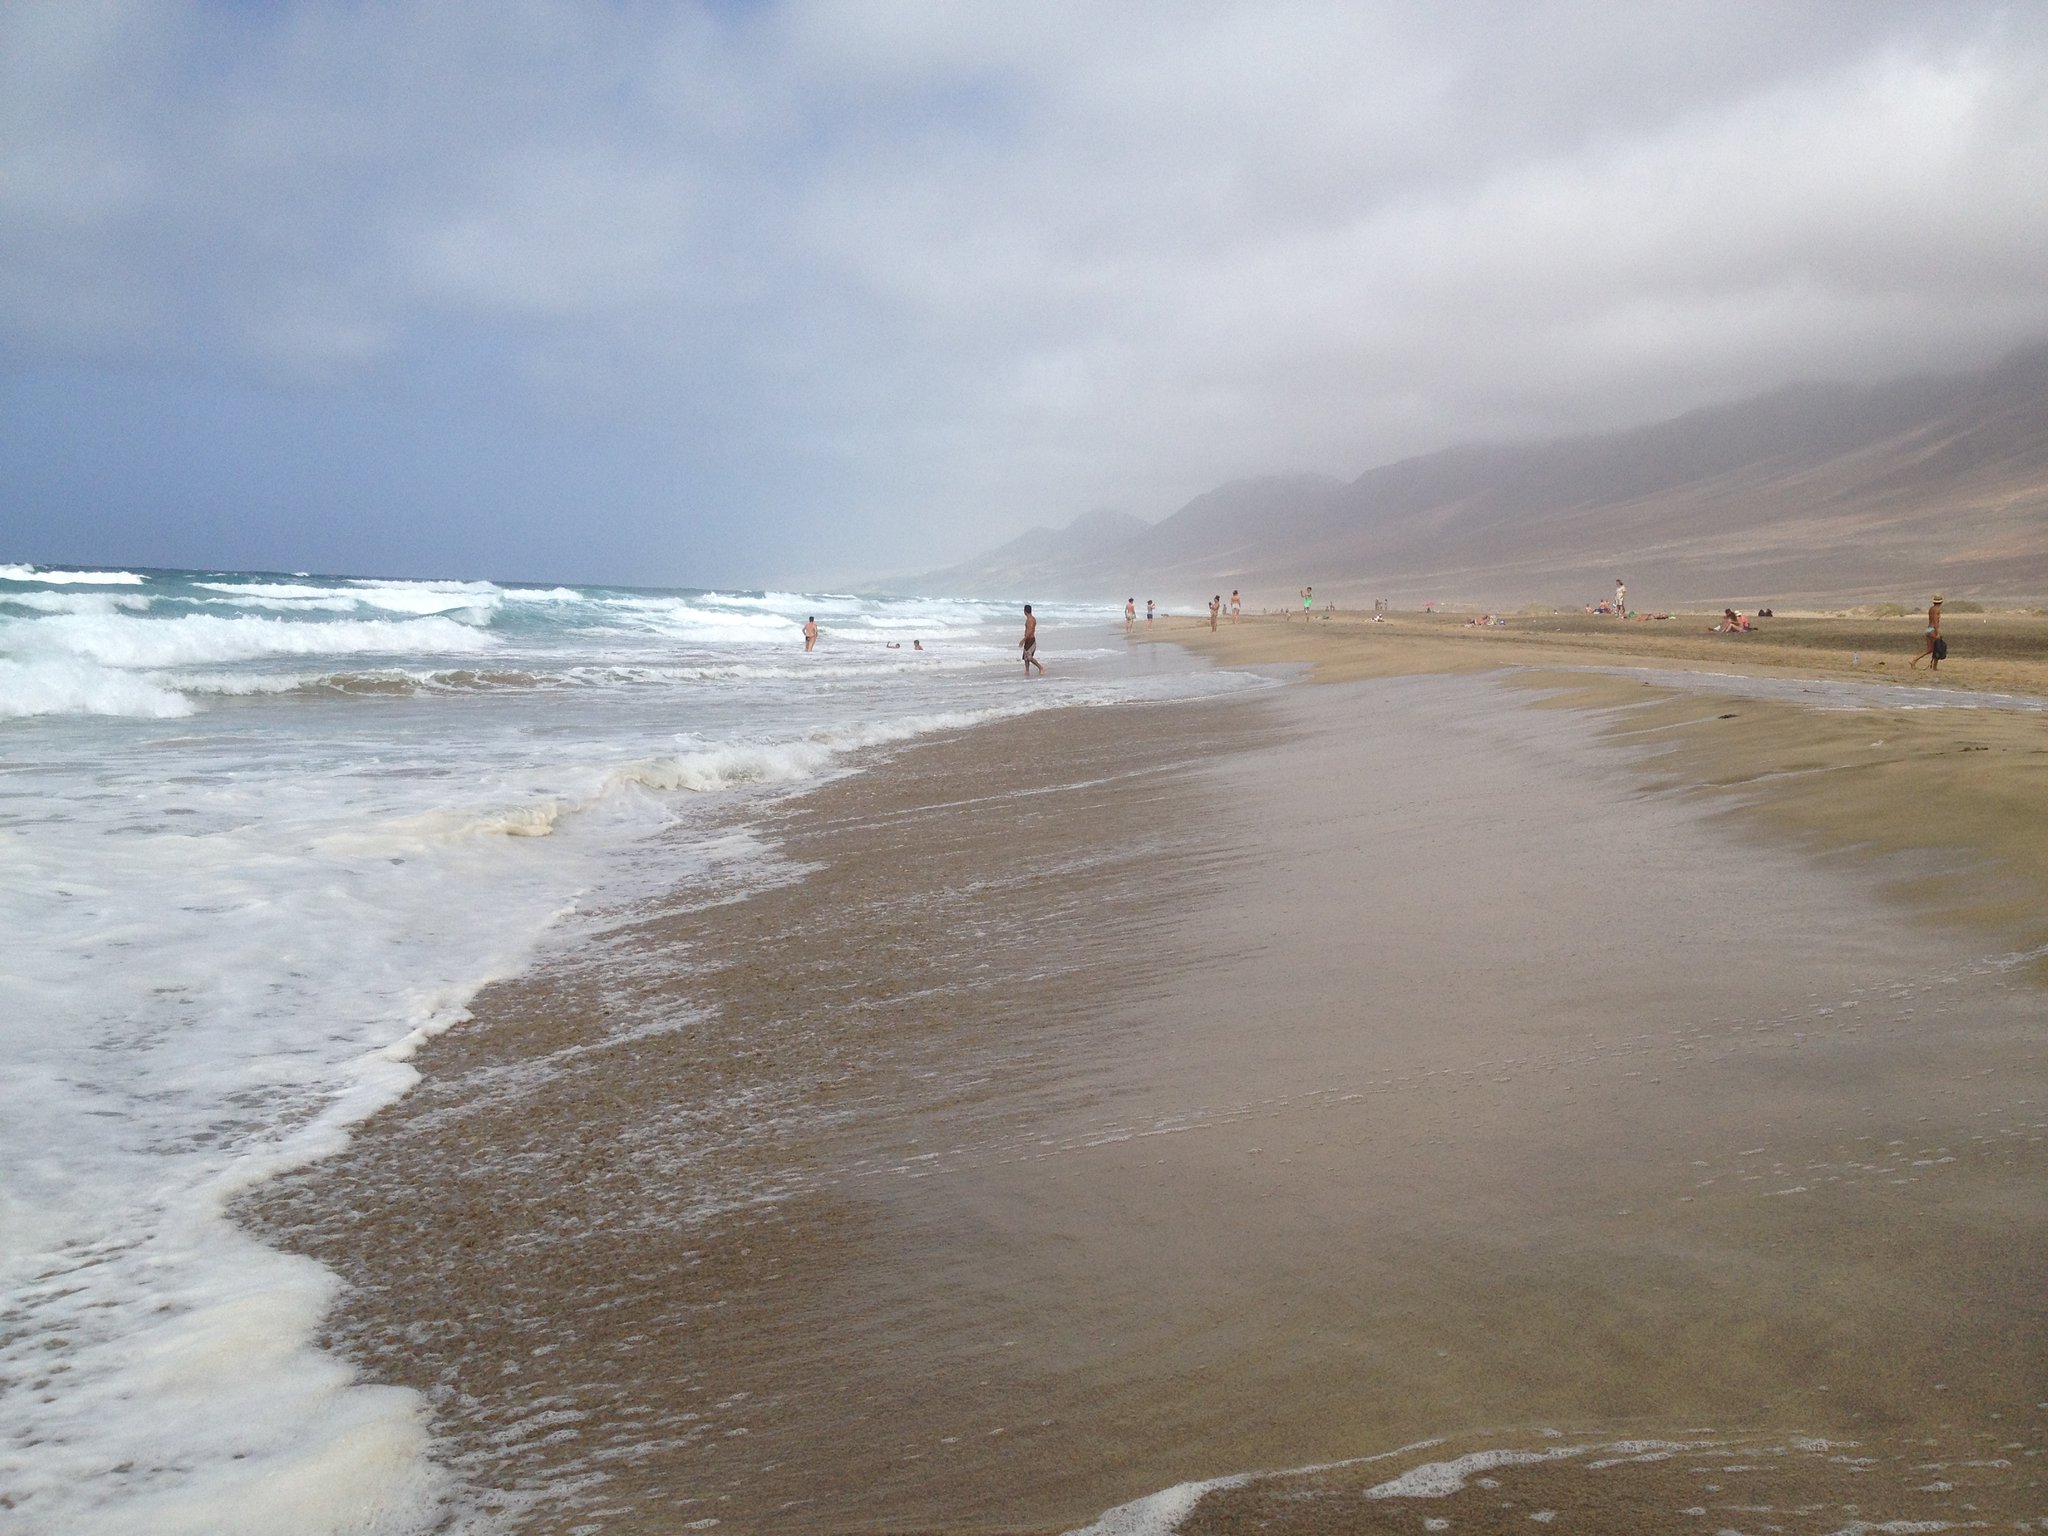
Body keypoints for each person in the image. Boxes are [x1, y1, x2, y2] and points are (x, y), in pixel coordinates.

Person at [1911, 594, 1944, 670]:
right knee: (1937, 647)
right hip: (1933, 629)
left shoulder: (1931, 609)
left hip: (1928, 628)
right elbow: (1935, 622)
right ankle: (1934, 667)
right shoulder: (1937, 610)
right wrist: (1937, 632)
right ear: (1941, 602)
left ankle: (1914, 661)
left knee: (1929, 649)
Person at [1020, 603, 1045, 677]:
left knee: (1029, 657)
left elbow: (1030, 631)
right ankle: (1027, 671)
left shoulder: (1030, 620)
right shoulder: (1030, 619)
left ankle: (1040, 667)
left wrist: (1023, 640)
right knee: (1026, 657)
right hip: (1028, 639)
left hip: (1030, 639)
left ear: (1025, 611)